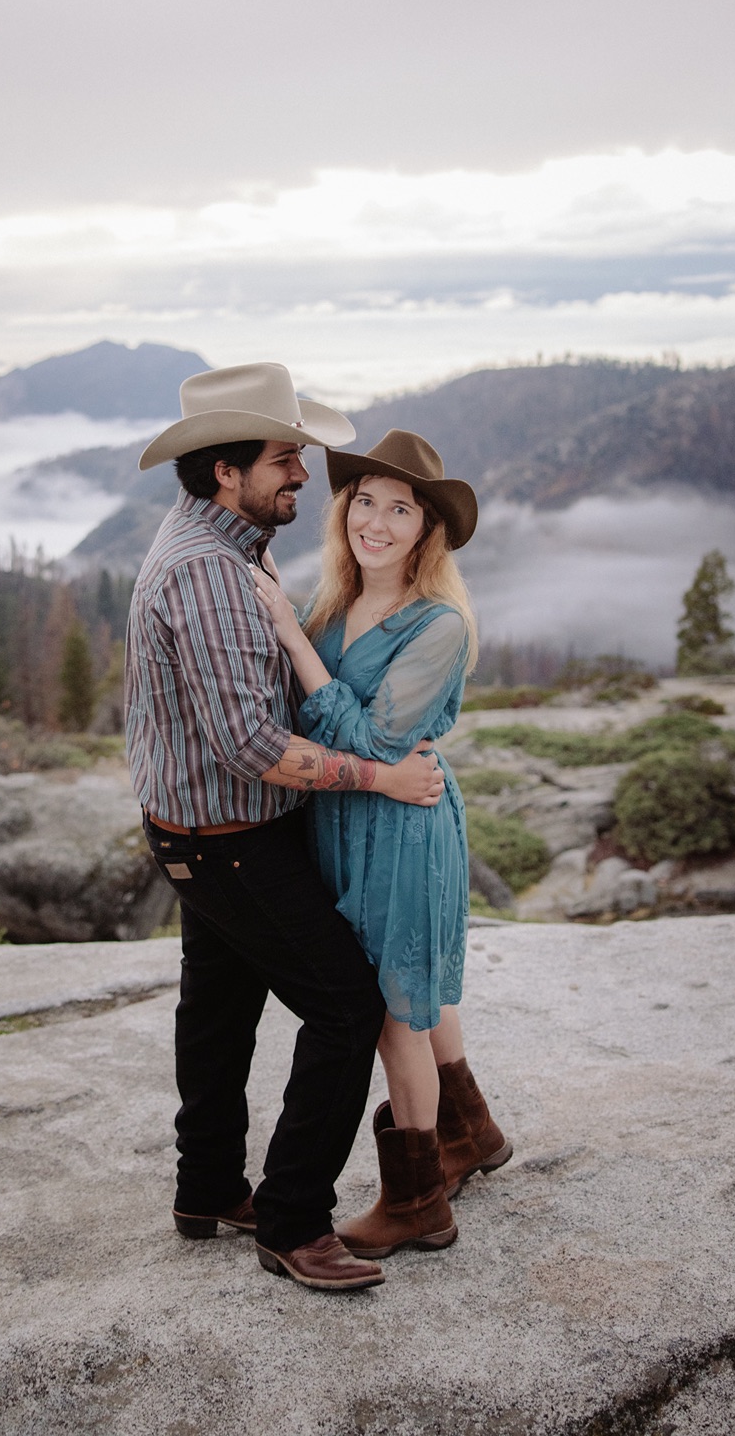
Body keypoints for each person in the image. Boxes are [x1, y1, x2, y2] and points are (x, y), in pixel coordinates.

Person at [124, 365, 447, 1295]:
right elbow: (251, 746)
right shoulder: (210, 571)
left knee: (219, 1009)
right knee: (347, 1007)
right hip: (228, 834)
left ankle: (209, 1189)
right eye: (284, 458)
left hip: (198, 829)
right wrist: (380, 776)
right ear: (225, 469)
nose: (304, 472)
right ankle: (295, 1221)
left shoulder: (225, 538)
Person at [251, 428, 512, 1259]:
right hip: (343, 823)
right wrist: (294, 624)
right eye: (366, 501)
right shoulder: (335, 603)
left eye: (401, 510)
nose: (379, 521)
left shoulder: (438, 626)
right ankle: (469, 1133)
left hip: (402, 828)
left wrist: (292, 640)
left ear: (426, 531)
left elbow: (370, 739)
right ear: (346, 510)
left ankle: (417, 1201)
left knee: (396, 1009)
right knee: (412, 980)